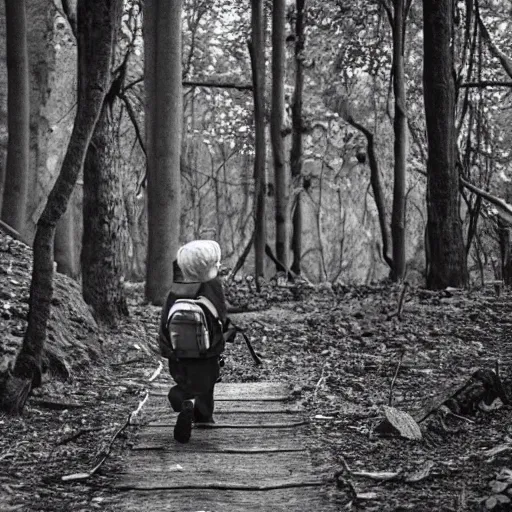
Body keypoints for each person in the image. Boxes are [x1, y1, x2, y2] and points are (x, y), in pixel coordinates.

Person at [158, 240, 228, 443]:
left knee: (184, 382)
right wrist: (221, 341)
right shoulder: (213, 286)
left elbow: (165, 321)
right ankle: (204, 416)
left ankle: (179, 398)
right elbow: (220, 317)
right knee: (206, 384)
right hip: (206, 353)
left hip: (178, 355)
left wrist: (167, 348)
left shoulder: (176, 290)